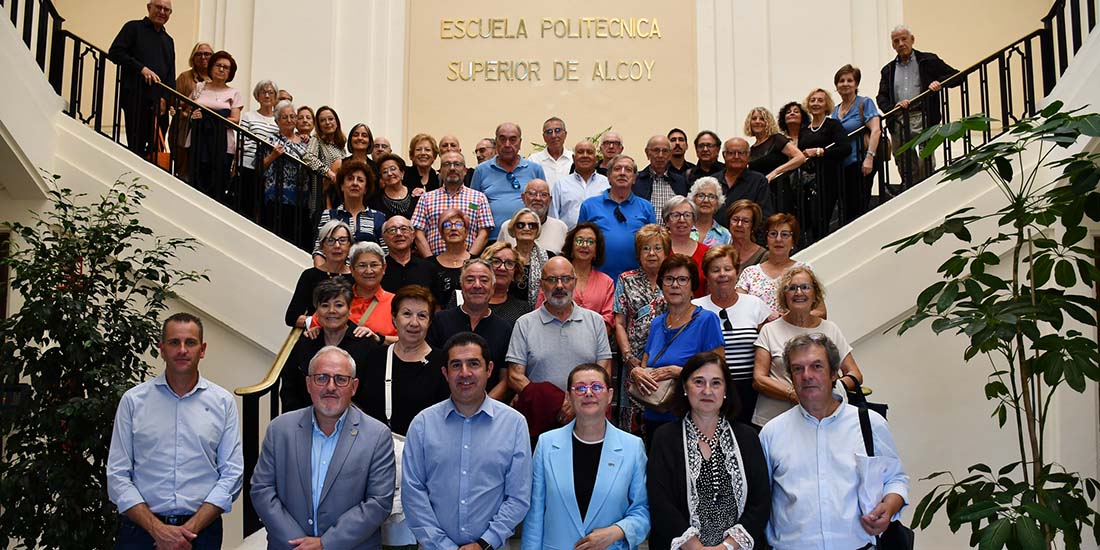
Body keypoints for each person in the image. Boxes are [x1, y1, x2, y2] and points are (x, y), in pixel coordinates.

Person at [107, 312, 243, 549]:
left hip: (201, 535)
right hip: (140, 534)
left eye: (190, 342)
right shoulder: (133, 401)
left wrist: (187, 532)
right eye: (173, 342)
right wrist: (157, 530)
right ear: (161, 348)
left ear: (202, 349)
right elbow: (117, 475)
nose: (182, 350)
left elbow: (232, 475)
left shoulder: (223, 402)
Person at [760, 333, 909, 549]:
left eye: (816, 366)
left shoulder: (869, 424)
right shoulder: (772, 433)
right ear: (791, 377)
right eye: (798, 369)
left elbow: (895, 478)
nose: (807, 375)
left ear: (834, 374)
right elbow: (761, 499)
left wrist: (890, 506)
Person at [252, 346, 395, 549]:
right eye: (321, 378)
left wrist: (326, 544)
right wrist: (298, 543)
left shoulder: (377, 435)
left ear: (353, 387)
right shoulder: (280, 429)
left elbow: (379, 502)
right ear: (308, 384)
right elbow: (262, 489)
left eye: (340, 379)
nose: (330, 387)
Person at [402, 332, 532, 550]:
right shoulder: (422, 424)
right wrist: (443, 546)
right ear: (445, 372)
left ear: (489, 369)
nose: (465, 373)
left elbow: (518, 496)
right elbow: (413, 493)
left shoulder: (514, 424)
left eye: (473, 364)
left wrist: (484, 543)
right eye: (456, 365)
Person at [647, 351, 771, 550]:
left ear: (725, 391)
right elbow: (660, 503)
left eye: (716, 383)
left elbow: (761, 501)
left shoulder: (747, 437)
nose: (707, 391)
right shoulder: (665, 438)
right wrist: (696, 547)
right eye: (698, 382)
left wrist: (728, 547)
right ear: (685, 387)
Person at [522, 363, 650, 550]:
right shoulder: (546, 444)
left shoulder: (632, 447)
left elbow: (643, 510)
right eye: (580, 388)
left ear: (610, 395)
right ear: (568, 397)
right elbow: (535, 513)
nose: (588, 393)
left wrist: (615, 531)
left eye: (597, 387)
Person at [508, 257, 613, 439]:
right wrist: (555, 403)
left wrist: (576, 404)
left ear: (574, 282)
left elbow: (604, 371)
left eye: (565, 279)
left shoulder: (595, 321)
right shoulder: (524, 324)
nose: (559, 286)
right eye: (552, 279)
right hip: (541, 420)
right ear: (541, 284)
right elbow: (515, 376)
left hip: (588, 417)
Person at [631, 255, 724, 444]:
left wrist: (678, 372)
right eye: (669, 279)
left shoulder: (706, 320)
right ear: (661, 285)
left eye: (682, 279)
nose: (675, 285)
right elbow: (646, 365)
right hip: (653, 414)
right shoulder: (657, 323)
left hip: (689, 418)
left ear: (692, 287)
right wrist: (637, 372)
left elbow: (719, 372)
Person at [752, 265, 860, 427]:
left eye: (805, 287)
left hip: (823, 420)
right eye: (792, 288)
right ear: (784, 295)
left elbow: (855, 374)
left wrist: (831, 389)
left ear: (815, 293)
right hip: (775, 421)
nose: (799, 293)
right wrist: (794, 394)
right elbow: (759, 379)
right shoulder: (769, 330)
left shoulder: (830, 329)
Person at [693, 246, 771, 426]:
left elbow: (770, 345)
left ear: (737, 272)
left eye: (727, 269)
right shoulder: (695, 308)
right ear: (706, 275)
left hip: (750, 392)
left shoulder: (755, 305)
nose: (722, 274)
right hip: (708, 392)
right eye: (715, 270)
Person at [358, 285, 449, 435]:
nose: (414, 322)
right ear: (394, 318)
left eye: (422, 316)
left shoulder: (443, 363)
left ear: (430, 322)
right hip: (375, 449)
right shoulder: (375, 357)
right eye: (407, 314)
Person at [876, 24, 958, 187]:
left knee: (925, 161)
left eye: (904, 39)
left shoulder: (928, 60)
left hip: (924, 116)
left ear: (912, 40)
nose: (900, 43)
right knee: (904, 162)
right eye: (896, 41)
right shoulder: (888, 69)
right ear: (893, 45)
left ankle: (925, 190)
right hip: (899, 119)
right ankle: (909, 190)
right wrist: (893, 107)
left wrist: (938, 82)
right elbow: (881, 97)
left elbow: (957, 76)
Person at [281, 278, 378, 412]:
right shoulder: (306, 342)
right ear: (317, 311)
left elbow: (373, 394)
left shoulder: (366, 345)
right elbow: (289, 386)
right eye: (325, 305)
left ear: (350, 309)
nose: (331, 311)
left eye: (339, 305)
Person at [427, 258, 513, 401]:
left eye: (484, 280)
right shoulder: (439, 321)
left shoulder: (504, 328)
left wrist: (482, 406)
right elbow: (431, 371)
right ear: (462, 286)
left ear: (493, 287)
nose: (477, 285)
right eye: (470, 280)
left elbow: (505, 379)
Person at [612, 224, 669, 431]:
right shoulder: (626, 280)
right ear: (638, 253)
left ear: (666, 251)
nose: (652, 253)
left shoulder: (674, 279)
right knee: (631, 421)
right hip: (633, 361)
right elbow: (619, 322)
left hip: (666, 360)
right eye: (646, 248)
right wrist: (628, 358)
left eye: (657, 248)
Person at [263, 100, 336, 249]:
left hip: (302, 199)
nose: (289, 120)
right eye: (284, 117)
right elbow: (258, 167)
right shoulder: (271, 140)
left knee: (298, 241)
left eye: (292, 116)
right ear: (277, 121)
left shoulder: (306, 142)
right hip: (277, 197)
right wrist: (272, 156)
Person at [108, 0, 174, 157]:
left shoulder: (168, 40)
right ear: (149, 7)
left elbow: (170, 73)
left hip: (159, 103)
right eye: (159, 7)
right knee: (136, 147)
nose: (162, 12)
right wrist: (141, 69)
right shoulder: (133, 28)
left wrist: (167, 98)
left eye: (167, 10)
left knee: (156, 151)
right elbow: (115, 52)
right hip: (136, 96)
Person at [578, 154, 658, 282]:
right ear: (608, 177)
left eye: (628, 170)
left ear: (634, 178)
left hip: (636, 282)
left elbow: (654, 244)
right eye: (617, 169)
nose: (622, 173)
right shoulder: (589, 205)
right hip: (596, 279)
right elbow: (579, 244)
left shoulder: (646, 207)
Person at [471, 122, 547, 240]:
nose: (507, 144)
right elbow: (473, 206)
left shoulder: (535, 169)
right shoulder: (481, 170)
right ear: (496, 143)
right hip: (491, 240)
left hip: (527, 238)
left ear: (520, 143)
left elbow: (545, 202)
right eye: (502, 139)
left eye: (513, 140)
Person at [412, 151, 493, 256]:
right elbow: (418, 232)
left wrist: (470, 258)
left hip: (468, 265)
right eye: (447, 164)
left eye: (457, 164)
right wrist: (430, 261)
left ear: (465, 170)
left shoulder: (479, 198)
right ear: (440, 171)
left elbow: (484, 232)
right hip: (434, 264)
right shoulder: (426, 198)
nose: (452, 168)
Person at [736, 212, 818, 317]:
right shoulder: (750, 273)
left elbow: (820, 312)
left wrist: (788, 318)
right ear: (766, 239)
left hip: (796, 330)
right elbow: (738, 310)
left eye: (785, 234)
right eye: (773, 234)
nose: (778, 239)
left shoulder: (805, 270)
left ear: (793, 241)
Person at [187, 50, 243, 197]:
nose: (221, 69)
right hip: (199, 138)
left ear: (230, 73)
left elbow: (235, 120)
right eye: (218, 65)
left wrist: (211, 117)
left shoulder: (234, 93)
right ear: (211, 67)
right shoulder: (200, 87)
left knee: (217, 182)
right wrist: (193, 115)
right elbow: (187, 109)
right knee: (197, 178)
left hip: (222, 142)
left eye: (226, 67)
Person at [796, 89, 849, 240]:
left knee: (823, 217)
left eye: (820, 100)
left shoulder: (833, 125)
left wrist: (819, 151)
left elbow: (845, 148)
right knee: (812, 219)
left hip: (829, 177)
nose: (816, 103)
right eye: (812, 100)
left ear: (827, 105)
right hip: (809, 180)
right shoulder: (804, 130)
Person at [312, 160, 386, 267]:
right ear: (342, 186)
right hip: (336, 277)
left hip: (369, 277)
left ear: (366, 189)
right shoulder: (329, 215)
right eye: (350, 179)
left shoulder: (379, 217)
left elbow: (385, 253)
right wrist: (325, 277)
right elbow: (319, 250)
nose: (355, 183)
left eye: (360, 180)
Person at [834, 64, 884, 224]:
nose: (845, 83)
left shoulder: (864, 103)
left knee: (858, 207)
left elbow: (876, 130)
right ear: (836, 85)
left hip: (861, 161)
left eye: (850, 80)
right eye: (841, 80)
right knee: (847, 208)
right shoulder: (835, 110)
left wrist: (869, 157)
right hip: (843, 166)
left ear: (856, 84)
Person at [285, 220, 355, 329]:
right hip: (314, 336)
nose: (337, 245)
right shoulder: (309, 276)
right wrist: (322, 323)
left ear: (350, 245)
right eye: (331, 240)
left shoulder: (356, 277)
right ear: (322, 246)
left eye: (342, 240)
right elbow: (291, 317)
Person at [328, 242, 397, 344]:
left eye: (374, 265)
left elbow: (411, 341)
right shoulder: (336, 299)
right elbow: (316, 326)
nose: (369, 271)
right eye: (362, 265)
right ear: (351, 269)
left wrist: (379, 339)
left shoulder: (396, 302)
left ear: (384, 268)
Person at [555, 222, 615, 333]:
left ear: (596, 250)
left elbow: (608, 320)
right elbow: (543, 310)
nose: (584, 245)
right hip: (556, 339)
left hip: (595, 344)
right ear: (571, 246)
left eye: (590, 242)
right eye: (579, 240)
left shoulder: (607, 282)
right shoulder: (554, 276)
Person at [168, 42, 211, 182]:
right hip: (184, 127)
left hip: (206, 130)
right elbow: (173, 100)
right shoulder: (184, 77)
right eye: (199, 54)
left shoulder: (217, 79)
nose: (203, 57)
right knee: (184, 168)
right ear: (193, 58)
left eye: (207, 54)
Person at [240, 79, 281, 218]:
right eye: (263, 92)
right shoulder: (249, 116)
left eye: (270, 92)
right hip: (248, 164)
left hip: (269, 167)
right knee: (247, 204)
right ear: (257, 95)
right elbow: (241, 141)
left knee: (264, 207)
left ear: (275, 97)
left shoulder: (278, 120)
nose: (267, 95)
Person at [549, 140, 609, 229]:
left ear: (596, 159)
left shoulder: (606, 183)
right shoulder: (561, 185)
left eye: (589, 152)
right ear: (573, 158)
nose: (585, 155)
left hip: (601, 239)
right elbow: (553, 217)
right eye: (580, 152)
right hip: (568, 239)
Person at [499, 179, 568, 254]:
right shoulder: (508, 226)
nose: (538, 198)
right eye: (532, 194)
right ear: (523, 197)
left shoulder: (561, 227)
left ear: (549, 200)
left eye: (543, 195)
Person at [379, 216, 438, 298]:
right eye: (392, 230)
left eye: (404, 229)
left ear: (413, 235)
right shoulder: (379, 269)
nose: (398, 234)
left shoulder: (428, 268)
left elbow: (437, 305)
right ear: (384, 238)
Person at [506, 207, 554, 308]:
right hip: (509, 313)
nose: (527, 228)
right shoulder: (506, 258)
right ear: (513, 230)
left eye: (532, 225)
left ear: (537, 230)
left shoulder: (550, 258)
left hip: (542, 314)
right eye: (520, 225)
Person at [663, 196, 709, 298]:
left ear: (693, 220)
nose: (682, 220)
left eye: (687, 215)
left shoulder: (706, 252)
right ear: (667, 221)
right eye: (676, 215)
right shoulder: (659, 250)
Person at [746, 107, 807, 184]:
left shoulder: (777, 139)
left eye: (762, 119)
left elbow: (800, 158)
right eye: (754, 119)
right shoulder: (751, 149)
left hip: (779, 189)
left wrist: (775, 172)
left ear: (768, 123)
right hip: (761, 191)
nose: (757, 121)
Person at [634, 135, 689, 220]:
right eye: (656, 150)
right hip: (645, 232)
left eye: (665, 151)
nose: (660, 155)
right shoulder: (635, 181)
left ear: (670, 154)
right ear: (647, 153)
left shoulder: (681, 182)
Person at [426, 208, 473, 306]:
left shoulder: (477, 262)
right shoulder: (429, 264)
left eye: (459, 224)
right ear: (441, 234)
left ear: (466, 231)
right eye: (447, 225)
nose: (453, 228)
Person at [719, 138, 773, 221]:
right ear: (724, 155)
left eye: (741, 153)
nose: (736, 157)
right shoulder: (713, 180)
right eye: (731, 153)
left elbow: (764, 216)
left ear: (748, 155)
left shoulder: (759, 181)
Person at [306, 105, 348, 212]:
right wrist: (328, 172)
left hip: (337, 195)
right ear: (318, 125)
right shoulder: (316, 140)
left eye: (330, 119)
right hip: (322, 197)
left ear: (336, 121)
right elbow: (309, 157)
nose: (327, 122)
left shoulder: (340, 146)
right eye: (323, 120)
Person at [480, 242, 534, 325]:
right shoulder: (463, 299)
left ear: (515, 272)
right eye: (496, 261)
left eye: (509, 263)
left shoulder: (523, 310)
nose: (502, 268)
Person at [371, 152, 419, 220]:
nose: (389, 173)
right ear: (381, 177)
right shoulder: (375, 199)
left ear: (402, 172)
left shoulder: (416, 195)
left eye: (393, 169)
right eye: (385, 171)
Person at [530, 117, 574, 189]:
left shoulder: (573, 159)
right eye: (549, 132)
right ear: (544, 137)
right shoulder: (534, 160)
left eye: (557, 130)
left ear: (565, 134)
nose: (553, 135)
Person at [687, 177, 731, 248]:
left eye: (712, 196)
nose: (706, 200)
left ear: (718, 202)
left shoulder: (726, 235)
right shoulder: (682, 228)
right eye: (701, 196)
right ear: (693, 199)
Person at [726, 199, 768, 272]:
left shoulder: (763, 256)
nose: (739, 225)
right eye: (735, 220)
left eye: (745, 221)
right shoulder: (720, 252)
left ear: (753, 225)